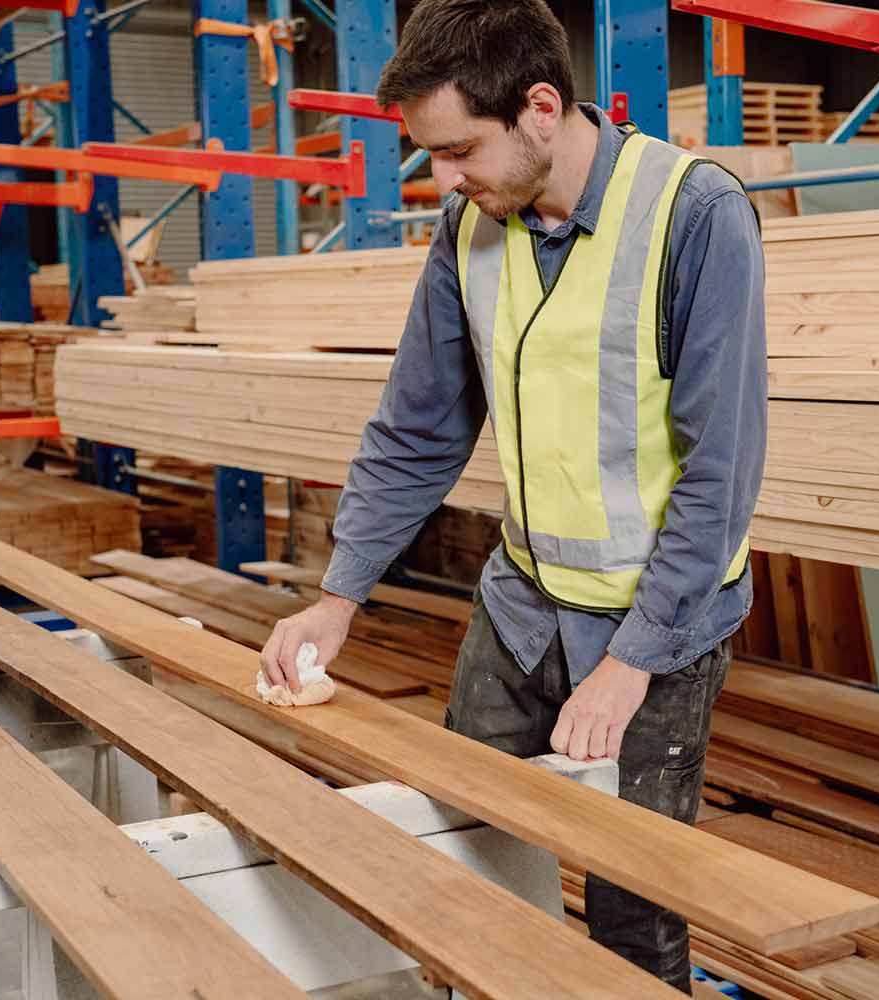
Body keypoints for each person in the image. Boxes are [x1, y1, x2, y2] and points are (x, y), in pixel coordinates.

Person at [258, 0, 766, 990]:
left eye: (456, 152)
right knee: (459, 855)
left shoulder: (694, 217)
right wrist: (340, 593)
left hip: (655, 626)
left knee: (633, 908)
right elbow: (418, 428)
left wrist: (634, 661)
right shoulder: (468, 230)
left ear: (541, 107)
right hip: (522, 606)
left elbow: (719, 473)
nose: (440, 180)